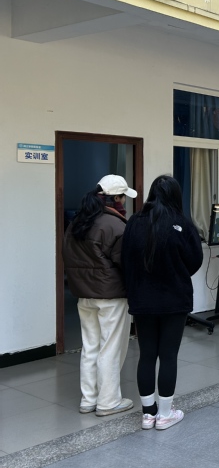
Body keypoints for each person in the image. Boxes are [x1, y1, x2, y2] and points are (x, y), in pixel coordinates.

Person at [121, 175, 203, 430]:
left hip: (142, 300)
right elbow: (195, 260)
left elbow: (125, 260)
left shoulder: (134, 222)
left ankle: (148, 415)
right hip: (174, 299)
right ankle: (165, 415)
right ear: (176, 196)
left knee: (146, 355)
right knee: (168, 356)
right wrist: (176, 271)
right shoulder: (182, 224)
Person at [62, 175, 137, 416]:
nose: (124, 202)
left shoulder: (78, 222)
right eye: (123, 197)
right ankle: (108, 401)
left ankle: (88, 399)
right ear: (116, 199)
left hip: (84, 295)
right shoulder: (116, 225)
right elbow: (126, 263)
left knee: (90, 347)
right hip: (111, 296)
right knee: (110, 348)